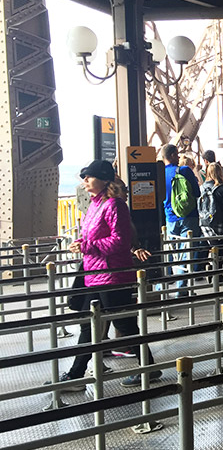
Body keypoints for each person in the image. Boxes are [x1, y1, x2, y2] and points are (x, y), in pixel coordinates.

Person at [49, 160, 159, 390]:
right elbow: (96, 236)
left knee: (124, 325)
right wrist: (82, 242)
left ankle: (147, 369)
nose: (85, 181)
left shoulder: (115, 205)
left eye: (89, 177)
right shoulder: (95, 205)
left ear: (103, 179)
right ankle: (77, 374)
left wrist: (87, 246)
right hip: (95, 273)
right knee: (93, 326)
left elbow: (119, 241)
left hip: (111, 275)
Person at [161, 144, 201, 297]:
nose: (178, 157)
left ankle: (163, 289)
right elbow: (196, 192)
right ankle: (181, 288)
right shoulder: (184, 171)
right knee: (186, 252)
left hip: (169, 217)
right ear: (171, 155)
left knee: (172, 251)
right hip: (188, 215)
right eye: (176, 154)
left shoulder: (161, 174)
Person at [198, 162, 223, 239]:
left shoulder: (202, 188)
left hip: (206, 223)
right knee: (222, 247)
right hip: (221, 222)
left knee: (211, 246)